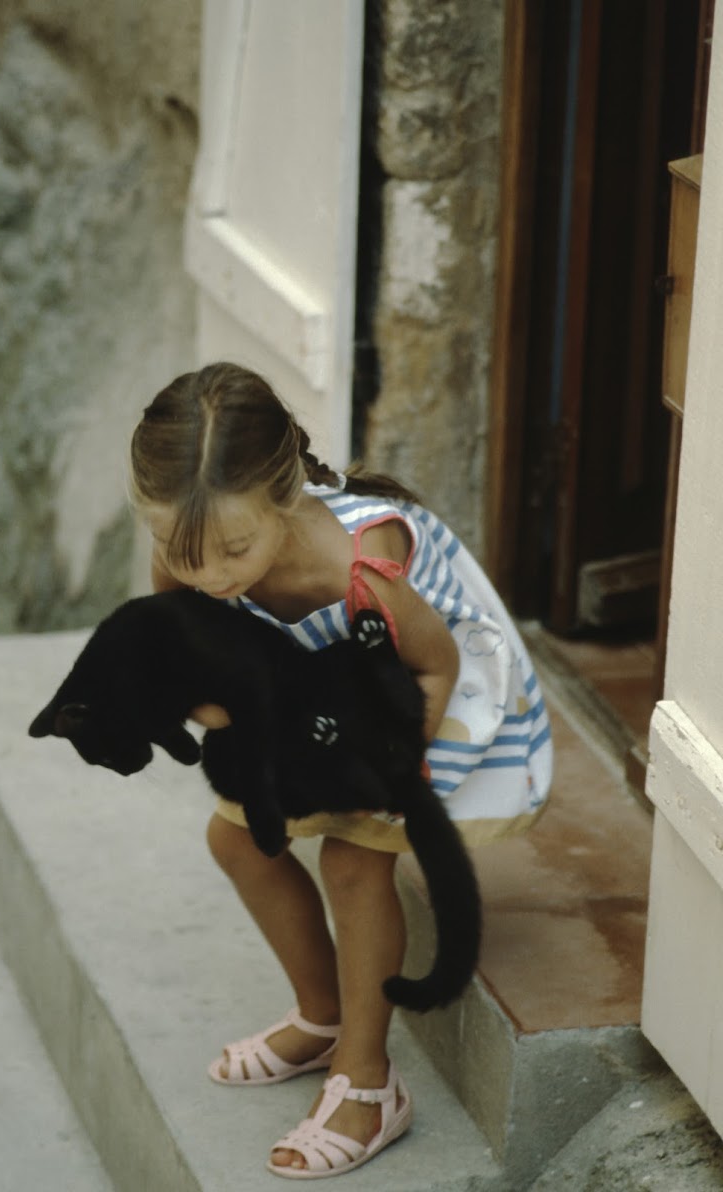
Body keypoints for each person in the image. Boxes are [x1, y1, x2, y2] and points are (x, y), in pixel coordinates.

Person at [129, 361, 552, 1179]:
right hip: (304, 702)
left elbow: (433, 669)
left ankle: (368, 1080)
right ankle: (321, 1015)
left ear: (283, 501)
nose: (210, 576)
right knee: (239, 842)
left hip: (411, 697)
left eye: (234, 551)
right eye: (183, 555)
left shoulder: (360, 564)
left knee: (355, 862)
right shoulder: (187, 554)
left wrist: (386, 776)